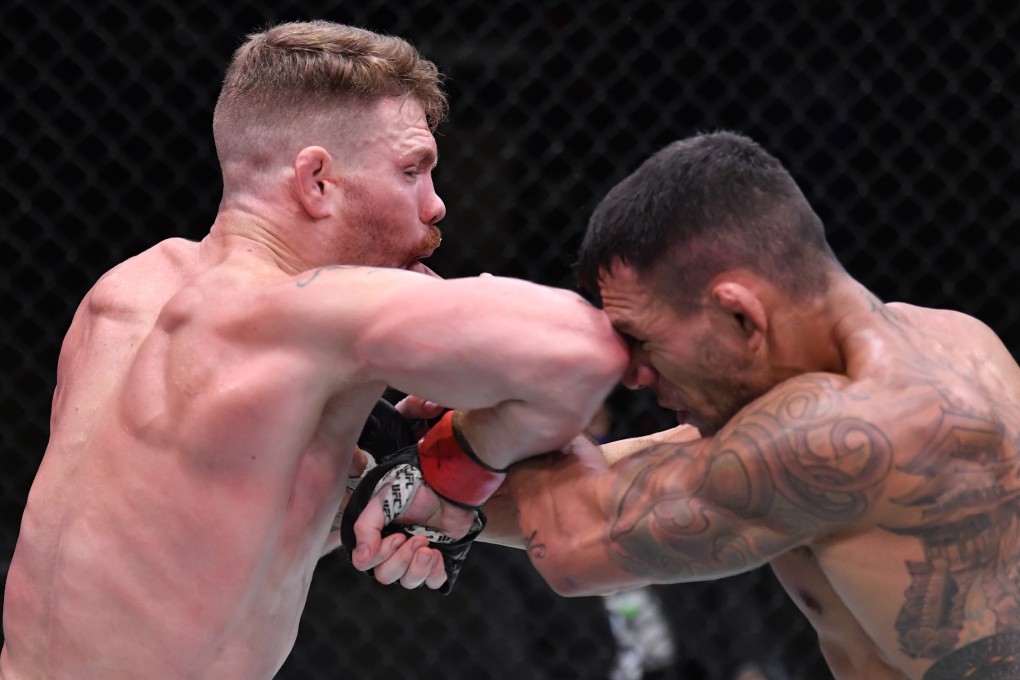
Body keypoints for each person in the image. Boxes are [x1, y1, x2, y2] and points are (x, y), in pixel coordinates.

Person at [0, 20, 628, 680]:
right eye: (411, 170)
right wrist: (459, 469)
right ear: (317, 181)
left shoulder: (124, 295)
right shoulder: (295, 313)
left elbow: (177, 544)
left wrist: (388, 482)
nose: (437, 205)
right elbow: (584, 350)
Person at [354, 131, 1020, 680]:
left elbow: (575, 542)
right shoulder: (947, 340)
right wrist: (414, 465)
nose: (635, 375)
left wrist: (497, 393)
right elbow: (616, 490)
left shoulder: (851, 432)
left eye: (642, 340)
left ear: (738, 315)